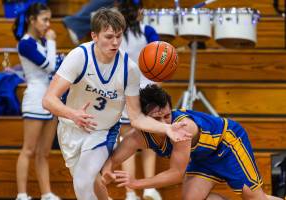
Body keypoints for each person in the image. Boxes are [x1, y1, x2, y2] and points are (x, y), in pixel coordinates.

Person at [42, 8, 190, 200]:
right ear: (94, 36)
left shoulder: (129, 69)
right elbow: (48, 99)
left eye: (118, 36)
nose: (115, 42)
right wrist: (73, 114)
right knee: (92, 183)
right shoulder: (79, 56)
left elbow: (136, 118)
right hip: (71, 128)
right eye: (109, 37)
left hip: (102, 132)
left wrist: (166, 128)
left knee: (82, 182)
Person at [102, 84, 283, 200]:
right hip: (202, 158)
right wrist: (106, 174)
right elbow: (112, 160)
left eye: (167, 115)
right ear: (143, 119)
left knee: (256, 198)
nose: (165, 123)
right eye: (157, 119)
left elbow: (175, 174)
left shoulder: (183, 127)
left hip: (227, 145)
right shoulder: (137, 136)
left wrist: (137, 183)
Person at [12, 2, 60, 200]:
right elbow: (50, 66)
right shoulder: (25, 43)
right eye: (44, 20)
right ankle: (22, 194)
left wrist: (48, 43)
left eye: (49, 20)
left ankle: (46, 193)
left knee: (44, 153)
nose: (48, 25)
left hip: (50, 100)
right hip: (34, 100)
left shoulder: (39, 43)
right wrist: (51, 42)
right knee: (28, 150)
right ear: (32, 20)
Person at [118, 1, 161, 200]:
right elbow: (160, 58)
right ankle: (149, 188)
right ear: (140, 11)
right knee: (149, 141)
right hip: (147, 91)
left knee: (126, 143)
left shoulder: (115, 34)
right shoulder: (148, 31)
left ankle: (129, 193)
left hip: (123, 92)